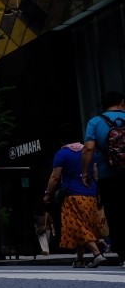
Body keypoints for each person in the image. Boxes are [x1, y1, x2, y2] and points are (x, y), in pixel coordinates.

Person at [44, 123, 106, 267]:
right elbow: (96, 174)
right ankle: (79, 259)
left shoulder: (62, 153)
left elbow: (55, 177)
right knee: (85, 224)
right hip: (91, 194)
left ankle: (97, 253)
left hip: (72, 195)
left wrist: (48, 194)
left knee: (77, 225)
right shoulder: (90, 152)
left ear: (61, 141)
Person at [81, 91, 125, 264]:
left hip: (109, 176)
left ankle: (123, 254)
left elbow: (89, 148)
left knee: (114, 215)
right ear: (122, 102)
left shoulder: (96, 122)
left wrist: (85, 172)